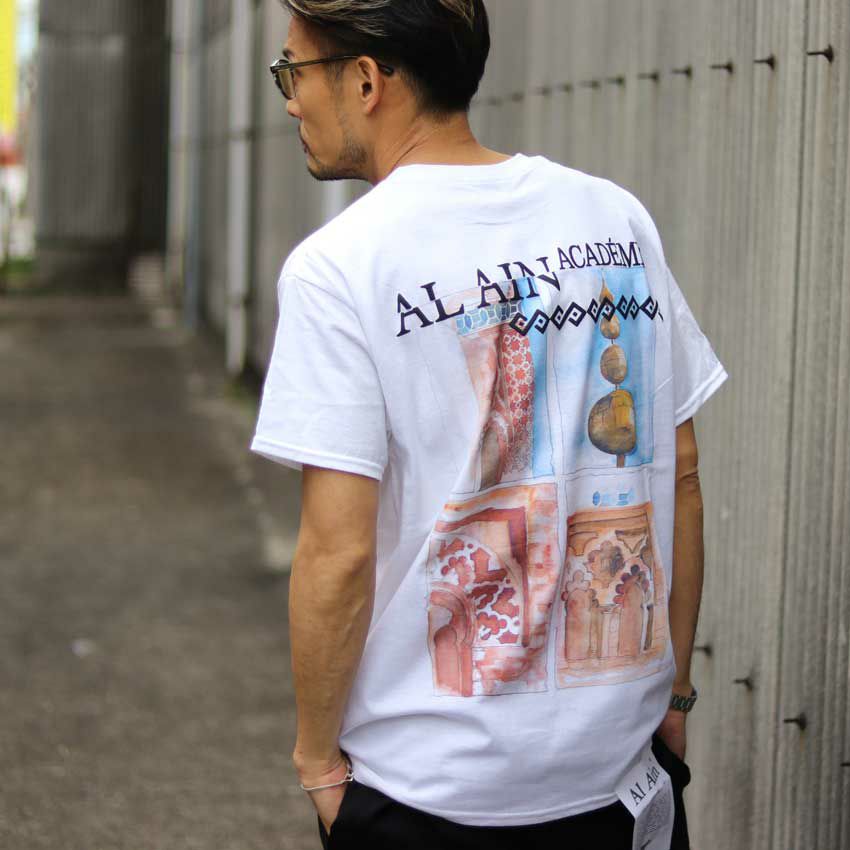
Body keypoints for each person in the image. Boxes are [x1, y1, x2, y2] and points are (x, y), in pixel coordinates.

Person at [250, 1, 728, 847]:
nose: (290, 99)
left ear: (365, 81)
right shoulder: (614, 220)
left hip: (430, 793)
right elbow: (681, 473)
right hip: (619, 783)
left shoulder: (340, 267)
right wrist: (673, 694)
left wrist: (318, 761)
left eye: (295, 71)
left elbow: (338, 551)